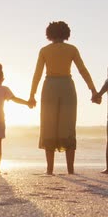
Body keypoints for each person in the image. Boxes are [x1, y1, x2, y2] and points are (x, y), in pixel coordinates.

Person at [28, 21, 97, 175]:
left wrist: (32, 94)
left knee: (48, 125)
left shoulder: (44, 50)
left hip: (49, 87)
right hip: (67, 87)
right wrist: (93, 90)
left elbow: (37, 74)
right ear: (66, 33)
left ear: (49, 34)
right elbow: (82, 70)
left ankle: (50, 169)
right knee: (68, 126)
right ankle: (70, 170)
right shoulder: (71, 49)